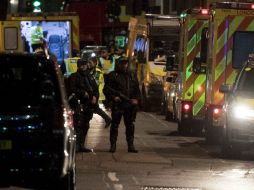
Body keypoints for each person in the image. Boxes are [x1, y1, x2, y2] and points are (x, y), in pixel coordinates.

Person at [103, 57, 141, 153]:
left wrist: (136, 100)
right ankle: (113, 145)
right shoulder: (113, 75)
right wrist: (113, 97)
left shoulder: (132, 75)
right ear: (118, 64)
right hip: (118, 105)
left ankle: (131, 146)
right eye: (122, 63)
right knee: (115, 125)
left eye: (126, 63)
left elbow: (137, 90)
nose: (124, 65)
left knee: (130, 126)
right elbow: (106, 89)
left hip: (129, 105)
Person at [68, 58, 97, 152]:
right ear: (78, 66)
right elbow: (72, 89)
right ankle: (76, 146)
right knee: (78, 125)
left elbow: (95, 88)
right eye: (82, 65)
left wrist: (95, 97)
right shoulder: (74, 76)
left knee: (85, 125)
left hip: (88, 104)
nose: (84, 66)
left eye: (85, 64)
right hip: (78, 104)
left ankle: (82, 145)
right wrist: (82, 93)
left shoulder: (89, 76)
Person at [87, 57, 112, 128]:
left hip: (95, 93)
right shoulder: (90, 70)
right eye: (88, 63)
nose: (88, 64)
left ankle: (86, 123)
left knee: (92, 108)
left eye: (90, 63)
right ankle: (107, 119)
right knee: (95, 108)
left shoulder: (97, 72)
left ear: (95, 63)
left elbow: (95, 83)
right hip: (91, 92)